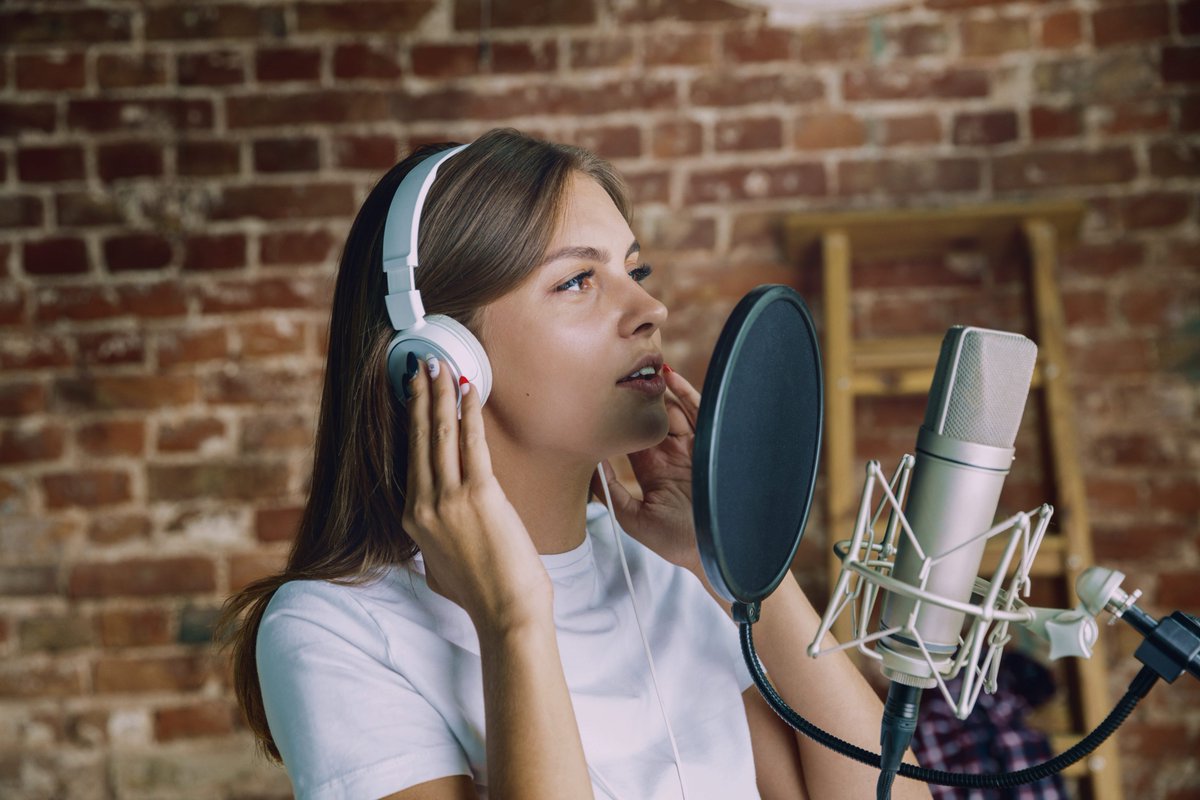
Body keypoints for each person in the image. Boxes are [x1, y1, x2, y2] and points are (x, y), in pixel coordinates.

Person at [219, 128, 931, 800]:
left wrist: (738, 567)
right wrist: (514, 621)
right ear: (440, 358)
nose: (649, 307)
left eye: (634, 270)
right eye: (576, 283)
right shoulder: (333, 631)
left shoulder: (667, 580)